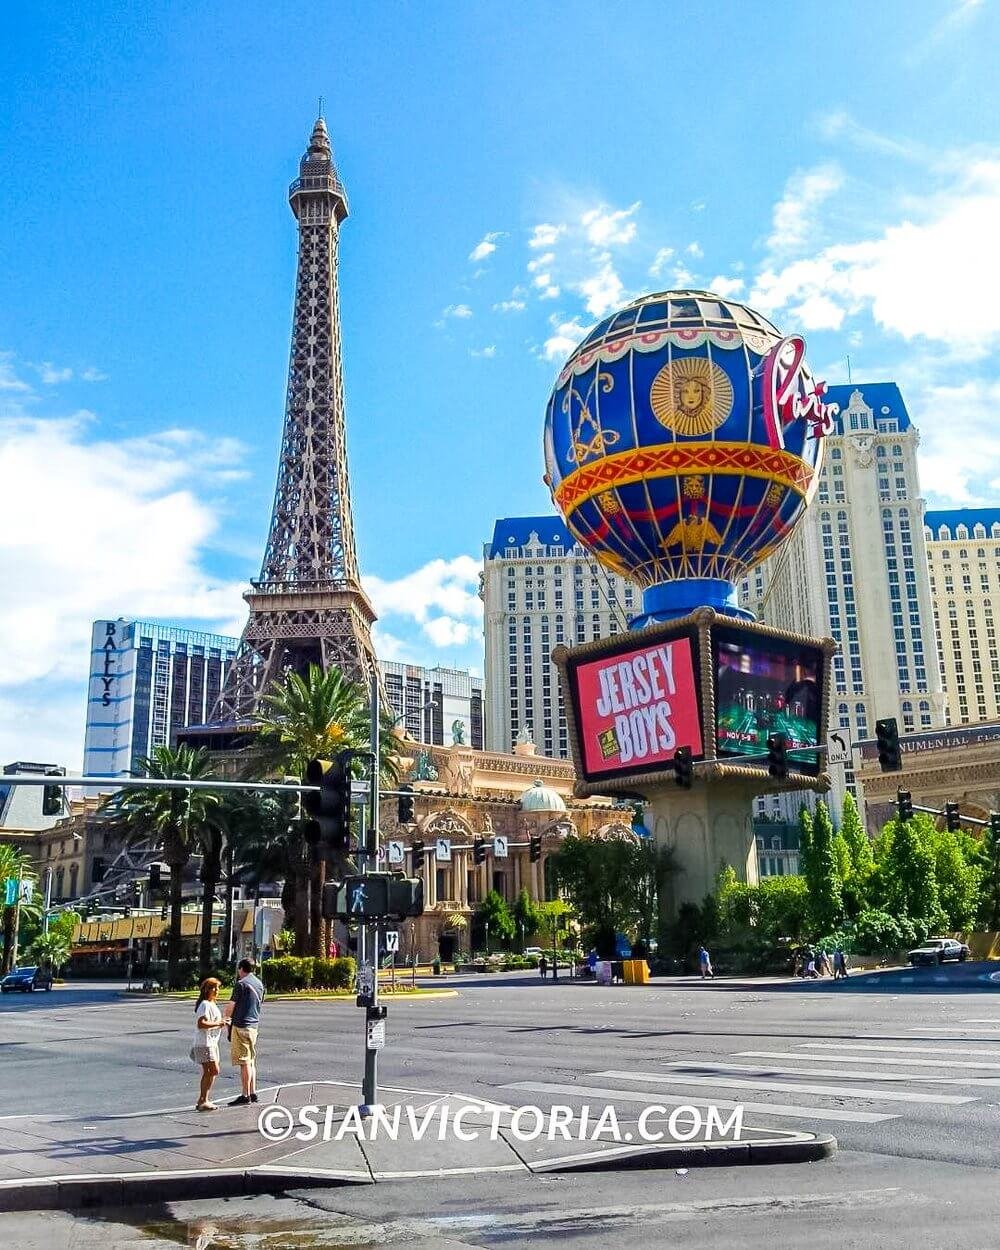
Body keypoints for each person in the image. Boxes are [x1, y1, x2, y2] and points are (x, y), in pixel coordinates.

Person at [226, 957, 265, 1106]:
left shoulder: (241, 984)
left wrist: (226, 1022)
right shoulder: (259, 984)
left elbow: (231, 1007)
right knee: (251, 1060)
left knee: (244, 1062)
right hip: (253, 1026)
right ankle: (253, 1092)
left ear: (241, 969)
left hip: (241, 1025)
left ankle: (245, 1094)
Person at [191, 977, 226, 1111]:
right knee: (212, 1070)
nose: (217, 991)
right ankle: (203, 1100)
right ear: (207, 990)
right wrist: (219, 1023)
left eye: (218, 988)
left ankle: (202, 1099)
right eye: (214, 988)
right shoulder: (205, 1004)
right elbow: (201, 1023)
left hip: (211, 1042)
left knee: (211, 1070)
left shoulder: (212, 1004)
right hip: (204, 1043)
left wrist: (222, 1021)